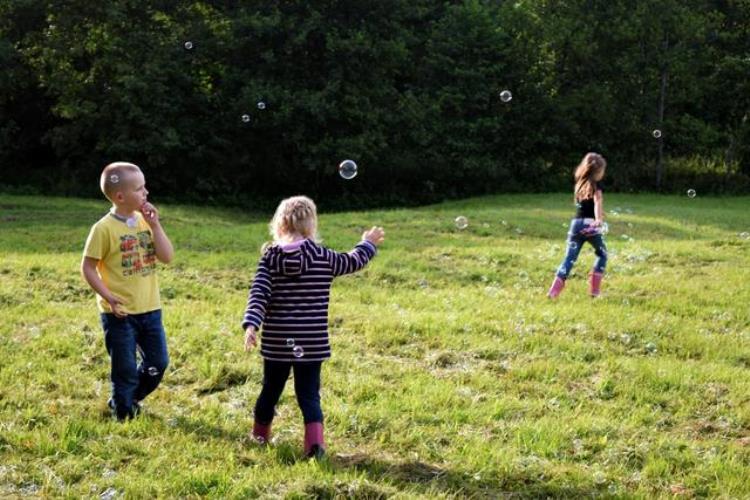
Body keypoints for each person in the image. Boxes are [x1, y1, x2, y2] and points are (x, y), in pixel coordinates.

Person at [242, 195, 384, 459]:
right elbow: (352, 261)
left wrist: (251, 324)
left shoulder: (270, 260)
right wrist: (368, 244)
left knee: (270, 390)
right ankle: (315, 446)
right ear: (311, 226)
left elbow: (258, 294)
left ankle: (260, 435)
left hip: (276, 343)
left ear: (279, 226)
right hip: (312, 342)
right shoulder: (323, 257)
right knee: (309, 395)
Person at [81, 162, 174, 420]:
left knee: (158, 363)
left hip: (150, 309)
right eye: (139, 189)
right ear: (121, 197)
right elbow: (87, 267)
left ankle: (128, 397)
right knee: (124, 369)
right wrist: (107, 296)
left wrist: (156, 226)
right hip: (118, 313)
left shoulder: (146, 222)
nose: (146, 192)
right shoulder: (103, 229)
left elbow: (167, 257)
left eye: (144, 187)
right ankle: (124, 416)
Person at [547, 152, 608, 298]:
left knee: (569, 259)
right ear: (598, 171)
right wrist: (598, 218)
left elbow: (584, 205)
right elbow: (597, 201)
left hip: (576, 224)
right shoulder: (596, 184)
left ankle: (553, 292)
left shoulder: (580, 182)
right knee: (602, 255)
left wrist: (598, 214)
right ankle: (594, 292)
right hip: (590, 226)